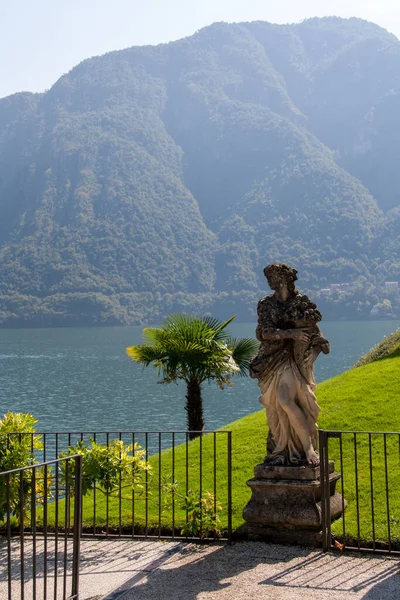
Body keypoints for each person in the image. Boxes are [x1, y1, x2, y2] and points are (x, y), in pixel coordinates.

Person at [250, 263, 330, 466]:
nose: (269, 281)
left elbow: (318, 336)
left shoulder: (301, 303)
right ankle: (282, 450)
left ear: (283, 279)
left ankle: (307, 448)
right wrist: (291, 334)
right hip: (270, 360)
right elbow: (265, 332)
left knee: (285, 401)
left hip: (292, 361)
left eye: (272, 276)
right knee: (276, 410)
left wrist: (314, 352)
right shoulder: (266, 304)